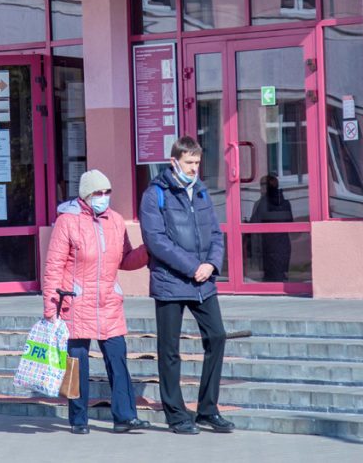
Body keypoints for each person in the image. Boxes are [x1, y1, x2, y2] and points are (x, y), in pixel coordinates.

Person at [138, 136, 234, 435]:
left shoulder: (201, 191)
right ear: (174, 161)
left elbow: (216, 234)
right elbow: (156, 241)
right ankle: (176, 414)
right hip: (171, 281)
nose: (194, 168)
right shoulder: (155, 194)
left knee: (217, 336)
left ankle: (207, 409)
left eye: (197, 162)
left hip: (203, 282)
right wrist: (193, 267)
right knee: (169, 349)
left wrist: (211, 265)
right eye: (189, 162)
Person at [42, 170, 150, 435]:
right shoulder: (67, 222)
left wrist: (148, 250)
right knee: (77, 363)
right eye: (98, 193)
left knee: (117, 358)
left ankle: (125, 417)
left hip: (108, 301)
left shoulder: (116, 221)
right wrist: (51, 307)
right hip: (76, 302)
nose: (104, 197)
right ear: (85, 195)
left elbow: (125, 259)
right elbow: (54, 266)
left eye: (107, 192)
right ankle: (78, 419)